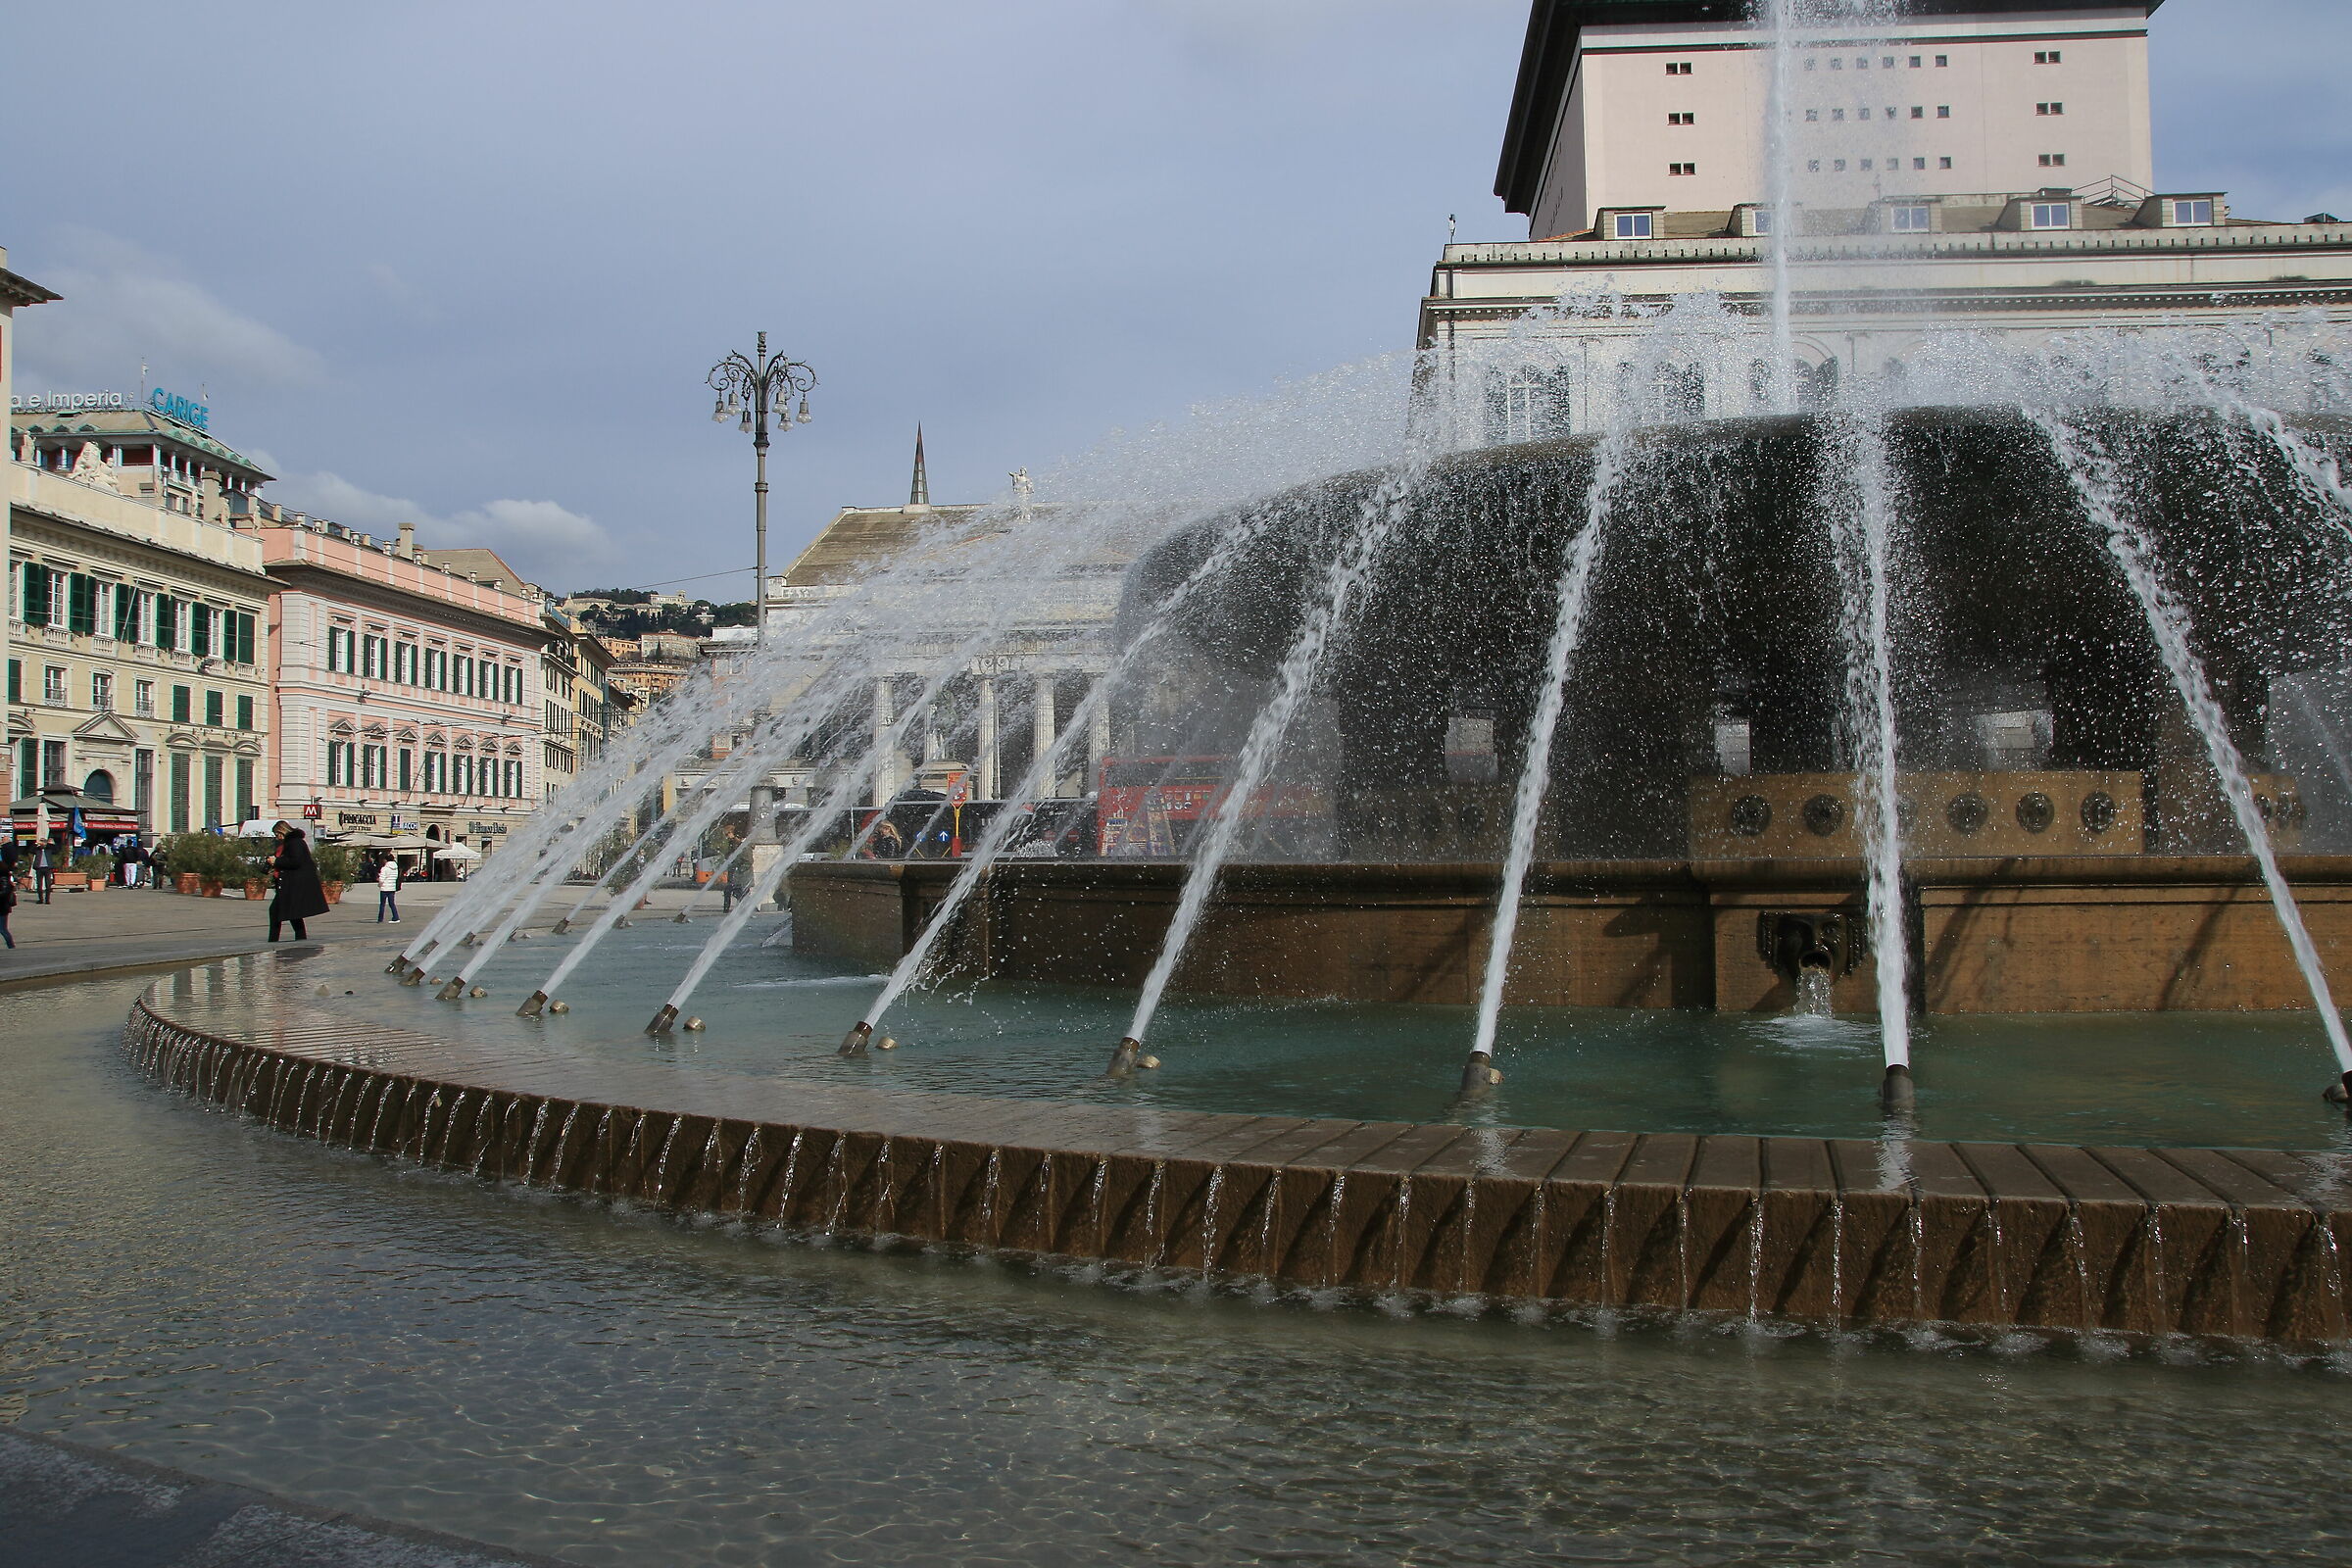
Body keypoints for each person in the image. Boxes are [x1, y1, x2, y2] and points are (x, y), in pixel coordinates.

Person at [269, 825, 331, 943]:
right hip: (289, 884)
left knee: (278, 911)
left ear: (281, 831)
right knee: (291, 913)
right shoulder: (291, 843)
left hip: (293, 884)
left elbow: (296, 861)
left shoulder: (295, 843)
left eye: (277, 835)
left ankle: (275, 940)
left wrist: (277, 861)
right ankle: (300, 938)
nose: (277, 838)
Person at [376, 852, 403, 923]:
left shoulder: (385, 868)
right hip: (392, 887)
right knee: (392, 903)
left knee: (382, 904)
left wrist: (379, 883)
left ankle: (380, 919)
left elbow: (381, 879)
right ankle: (396, 917)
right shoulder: (395, 868)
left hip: (385, 888)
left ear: (386, 860)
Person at [1, 845, 17, 950]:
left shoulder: (3, 874)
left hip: (1, 906)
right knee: (2, 929)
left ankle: (11, 947)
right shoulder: (5, 873)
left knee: (2, 929)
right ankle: (11, 946)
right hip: (3, 906)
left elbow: (4, 891)